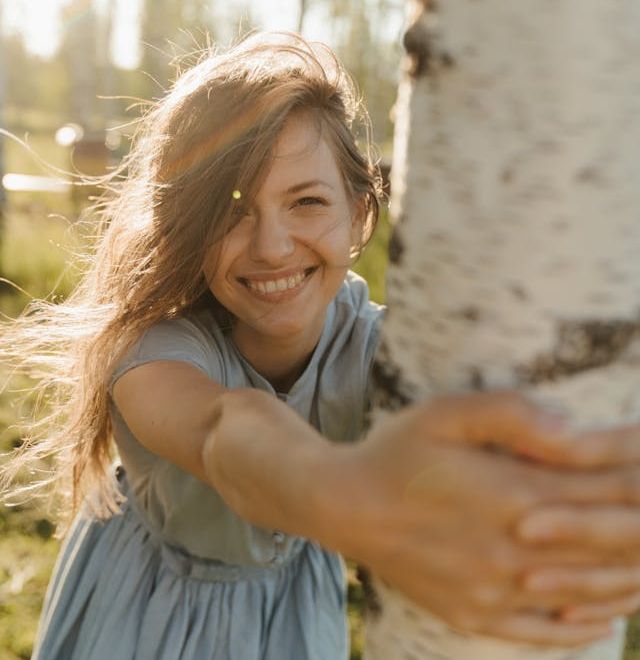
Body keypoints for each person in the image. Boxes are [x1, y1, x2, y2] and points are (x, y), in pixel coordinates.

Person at [2, 31, 640, 660]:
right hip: (146, 611)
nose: (271, 245)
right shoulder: (155, 348)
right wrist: (357, 503)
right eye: (230, 211)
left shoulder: (382, 347)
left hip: (294, 612)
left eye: (306, 201)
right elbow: (221, 430)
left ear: (360, 212)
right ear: (186, 227)